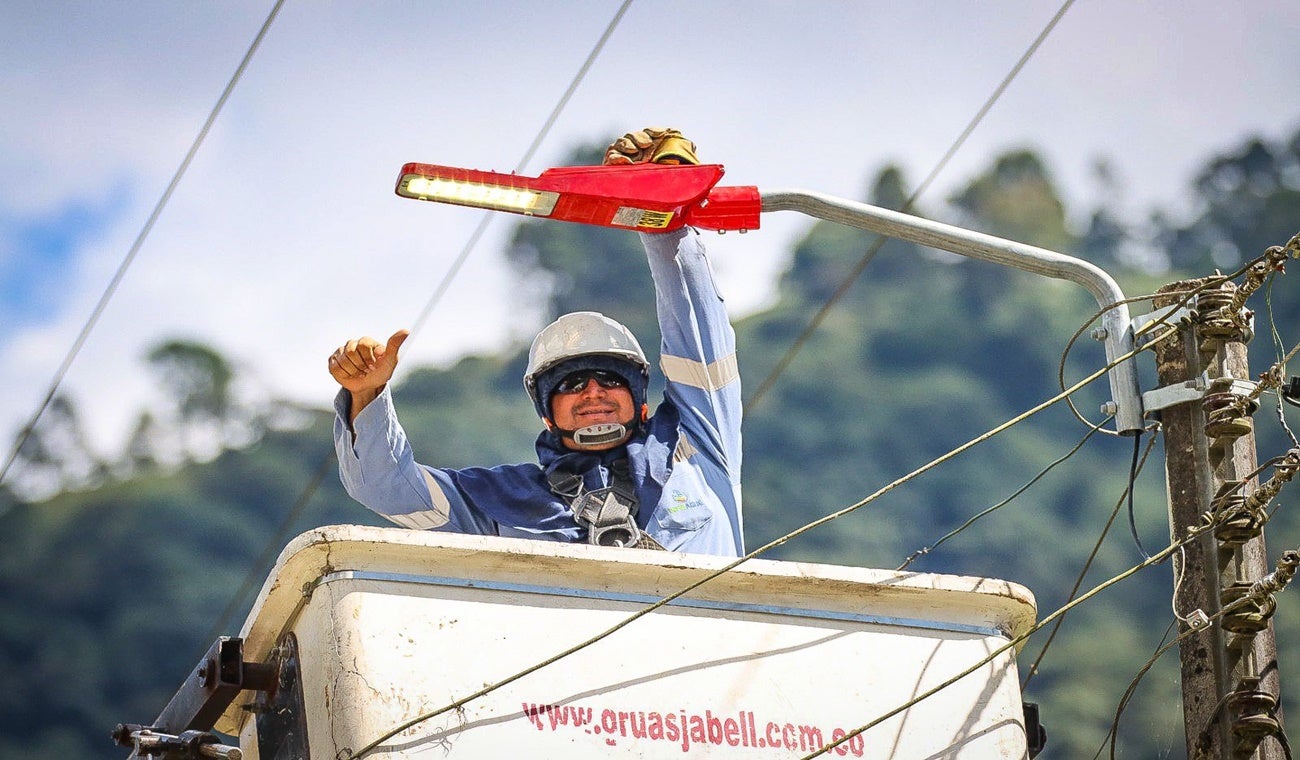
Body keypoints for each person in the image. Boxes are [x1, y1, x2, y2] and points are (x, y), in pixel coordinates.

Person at [328, 128, 742, 556]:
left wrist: (662, 213)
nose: (593, 392)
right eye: (570, 384)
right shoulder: (499, 502)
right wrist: (367, 394)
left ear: (640, 398)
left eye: (609, 377)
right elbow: (386, 489)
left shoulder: (695, 446)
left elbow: (700, 333)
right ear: (546, 413)